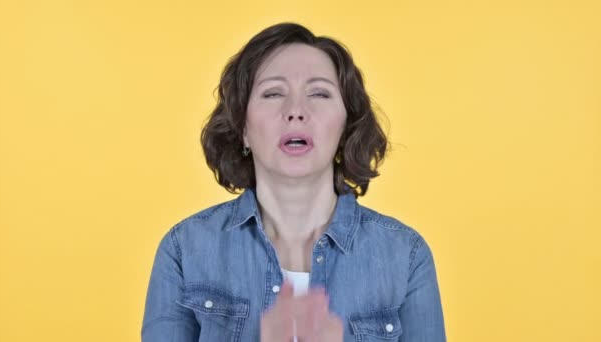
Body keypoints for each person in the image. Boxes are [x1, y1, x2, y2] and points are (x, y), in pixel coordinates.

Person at [141, 22, 446, 341]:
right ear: (242, 127)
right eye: (273, 93)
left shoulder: (406, 255)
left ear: (346, 126)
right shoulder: (184, 251)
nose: (296, 111)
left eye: (319, 93)